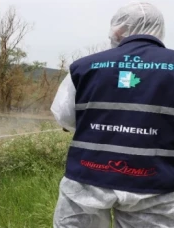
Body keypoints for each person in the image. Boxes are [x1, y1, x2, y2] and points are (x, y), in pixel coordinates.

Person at [50, 1, 174, 227]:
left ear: (119, 29)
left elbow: (65, 117)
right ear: (160, 29)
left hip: (88, 180)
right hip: (157, 186)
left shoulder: (84, 67)